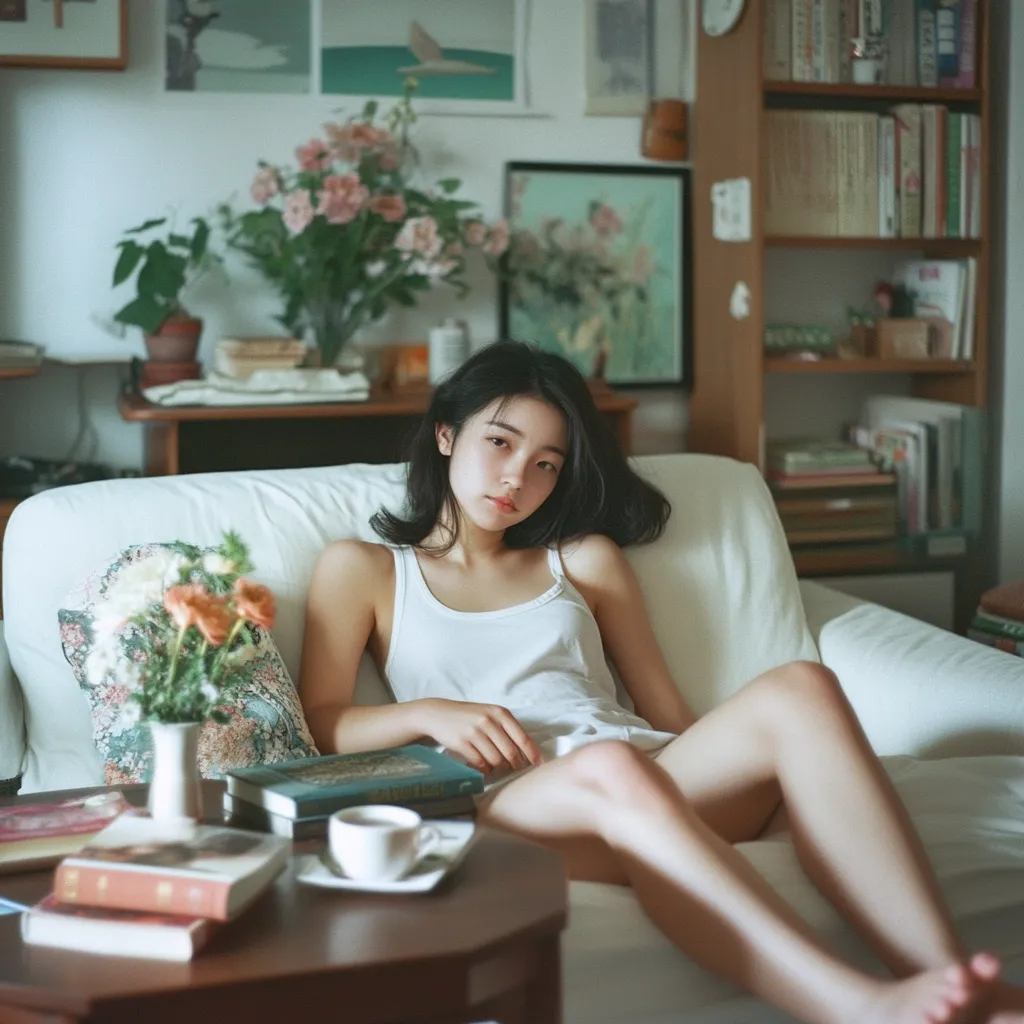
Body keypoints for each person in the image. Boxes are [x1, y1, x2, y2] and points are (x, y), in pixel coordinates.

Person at [299, 340, 1024, 1024]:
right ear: (447, 435)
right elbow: (325, 722)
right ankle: (856, 1007)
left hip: (644, 774)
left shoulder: (582, 559)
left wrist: (770, 775)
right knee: (610, 766)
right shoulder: (364, 568)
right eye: (501, 442)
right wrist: (434, 714)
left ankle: (959, 989)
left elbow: (666, 714)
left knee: (802, 686)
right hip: (512, 806)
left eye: (548, 463)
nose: (520, 476)